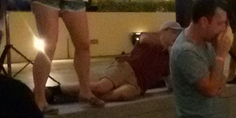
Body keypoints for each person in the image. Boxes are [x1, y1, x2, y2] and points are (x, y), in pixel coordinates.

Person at [53, 21, 183, 102]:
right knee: (102, 86)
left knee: (123, 94)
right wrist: (163, 44)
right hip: (127, 67)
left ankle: (80, 97)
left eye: (178, 34)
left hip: (138, 84)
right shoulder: (150, 37)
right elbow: (144, 39)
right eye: (173, 32)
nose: (176, 36)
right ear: (164, 30)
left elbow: (170, 81)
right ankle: (56, 90)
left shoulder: (168, 58)